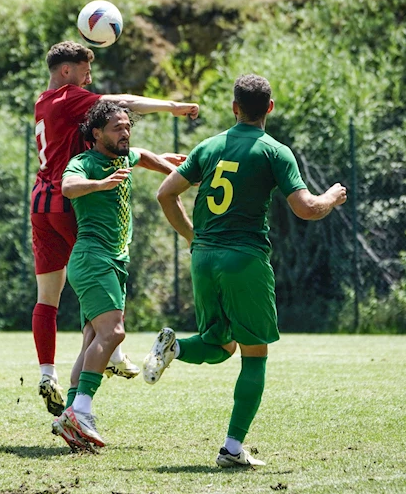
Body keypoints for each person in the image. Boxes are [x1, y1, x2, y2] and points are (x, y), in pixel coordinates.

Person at [144, 74, 347, 467]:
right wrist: (331, 198)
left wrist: (193, 237)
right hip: (244, 259)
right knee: (254, 355)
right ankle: (233, 449)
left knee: (221, 345)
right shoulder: (274, 151)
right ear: (269, 107)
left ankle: (176, 347)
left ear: (234, 107)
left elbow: (165, 193)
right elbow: (306, 208)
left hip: (204, 258)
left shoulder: (208, 146)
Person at [32, 41, 199, 417]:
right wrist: (172, 107)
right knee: (99, 278)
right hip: (67, 201)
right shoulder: (68, 98)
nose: (89, 79)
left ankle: (48, 373)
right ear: (65, 72)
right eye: (84, 70)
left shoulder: (42, 101)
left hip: (39, 202)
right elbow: (123, 103)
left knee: (47, 299)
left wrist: (169, 164)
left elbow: (137, 153)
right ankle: (111, 355)